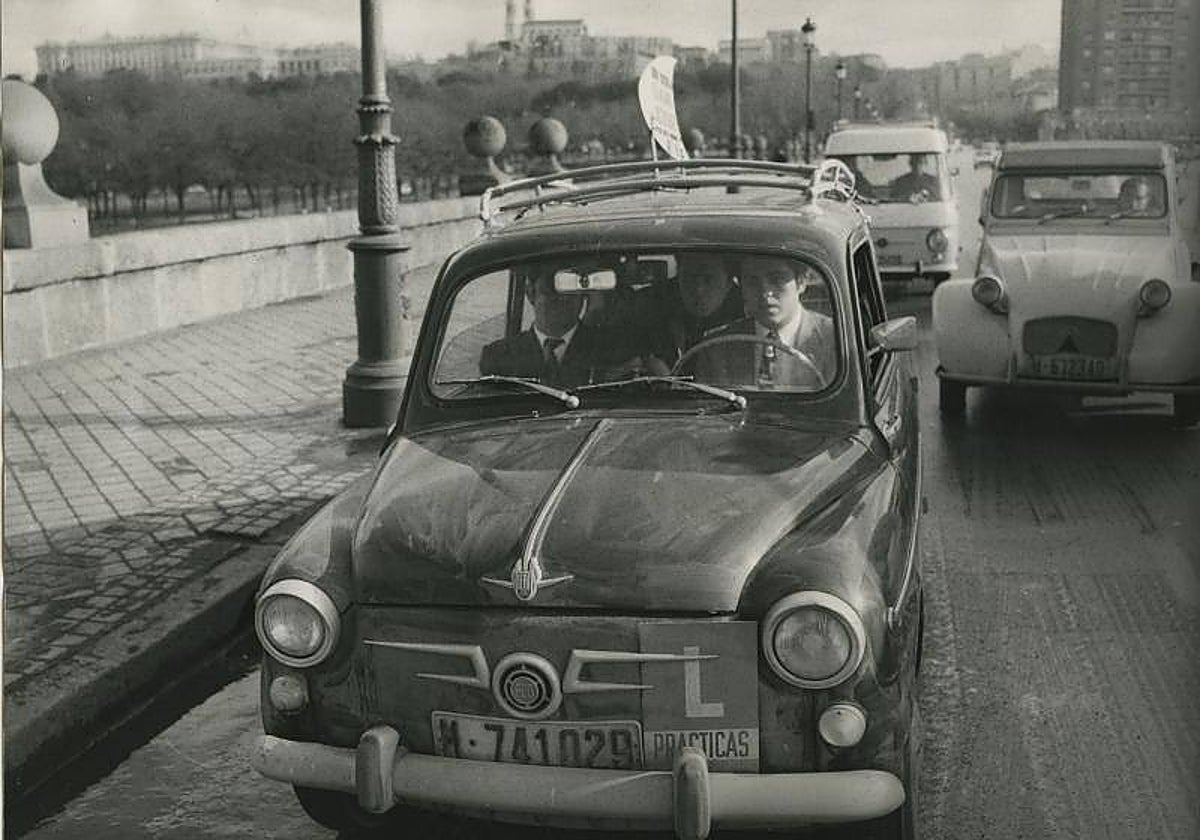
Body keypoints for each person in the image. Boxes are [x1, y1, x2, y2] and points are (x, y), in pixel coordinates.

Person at [688, 254, 836, 389]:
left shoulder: (835, 339)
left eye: (776, 280)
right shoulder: (716, 346)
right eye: (752, 282)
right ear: (741, 287)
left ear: (801, 282)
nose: (765, 292)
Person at [479, 267, 612, 388]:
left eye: (569, 290)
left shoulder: (610, 350)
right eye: (551, 290)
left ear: (584, 295)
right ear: (531, 293)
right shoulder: (498, 357)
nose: (562, 299)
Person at [641, 252, 745, 370]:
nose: (698, 290)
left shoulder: (749, 315)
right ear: (678, 277)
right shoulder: (651, 310)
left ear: (728, 284)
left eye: (708, 279)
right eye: (689, 277)